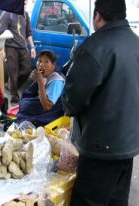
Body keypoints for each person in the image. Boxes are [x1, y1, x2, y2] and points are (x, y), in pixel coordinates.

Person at [61, 0, 139, 205]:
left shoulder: (95, 46)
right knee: (117, 201)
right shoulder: (136, 43)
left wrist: (67, 104)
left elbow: (73, 99)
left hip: (100, 149)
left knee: (88, 201)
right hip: (128, 144)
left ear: (98, 15)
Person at [0, 2, 36, 104]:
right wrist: (3, 50)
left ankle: (12, 86)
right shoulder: (7, 13)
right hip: (11, 47)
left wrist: (32, 47)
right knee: (13, 73)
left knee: (27, 70)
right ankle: (14, 97)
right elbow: (1, 33)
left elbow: (29, 32)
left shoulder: (25, 14)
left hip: (23, 47)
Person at [16, 50, 65, 126]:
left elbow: (47, 107)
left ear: (53, 65)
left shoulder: (56, 81)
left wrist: (40, 83)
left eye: (46, 62)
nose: (41, 64)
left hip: (48, 116)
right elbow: (29, 93)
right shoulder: (45, 76)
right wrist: (36, 80)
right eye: (39, 61)